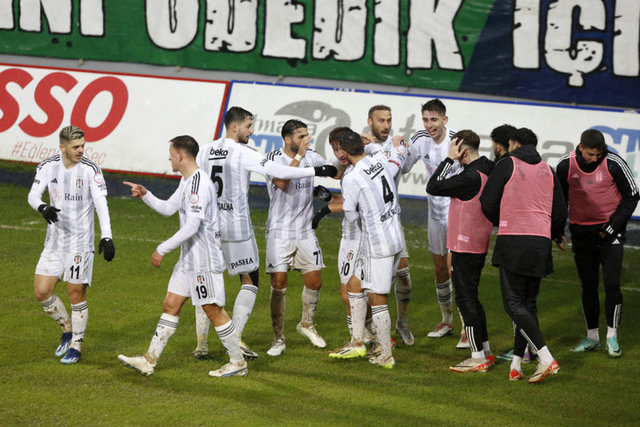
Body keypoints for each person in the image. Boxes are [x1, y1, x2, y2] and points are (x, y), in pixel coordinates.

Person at [193, 107, 337, 360]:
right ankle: (236, 337)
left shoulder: (204, 150)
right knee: (250, 280)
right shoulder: (246, 152)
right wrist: (314, 170)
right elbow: (280, 176)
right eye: (249, 126)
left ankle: (202, 343)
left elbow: (197, 183)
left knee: (206, 281)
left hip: (209, 225)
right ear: (235, 127)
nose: (252, 131)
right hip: (237, 228)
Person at [117, 135, 247, 377]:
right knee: (171, 304)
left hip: (204, 260)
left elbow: (192, 227)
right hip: (189, 259)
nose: (169, 158)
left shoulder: (199, 184)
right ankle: (149, 359)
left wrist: (162, 248)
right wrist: (146, 195)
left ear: (180, 155)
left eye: (171, 153)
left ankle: (238, 363)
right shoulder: (187, 181)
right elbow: (169, 208)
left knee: (213, 309)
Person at [480, 128, 567, 383]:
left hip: (514, 240)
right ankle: (516, 364)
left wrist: (504, 220)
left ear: (514, 143)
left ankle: (545, 357)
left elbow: (487, 202)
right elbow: (560, 211)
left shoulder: (507, 164)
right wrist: (554, 233)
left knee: (514, 304)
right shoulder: (548, 170)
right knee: (527, 304)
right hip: (540, 242)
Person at [28, 125, 115, 365]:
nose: (81, 150)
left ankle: (76, 345)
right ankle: (67, 328)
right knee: (42, 291)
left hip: (80, 243)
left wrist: (107, 236)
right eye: (75, 147)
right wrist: (42, 207)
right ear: (62, 147)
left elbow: (101, 204)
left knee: (75, 293)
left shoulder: (90, 169)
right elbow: (33, 195)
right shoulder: (47, 166)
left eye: (83, 146)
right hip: (54, 242)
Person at [556, 129, 639, 357]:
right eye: (590, 154)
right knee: (588, 285)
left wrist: (614, 225)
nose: (594, 158)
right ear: (580, 147)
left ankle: (612, 336)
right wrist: (557, 230)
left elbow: (632, 195)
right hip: (581, 232)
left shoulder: (614, 163)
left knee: (612, 284)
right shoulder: (565, 165)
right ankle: (592, 337)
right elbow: (559, 200)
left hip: (609, 232)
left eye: (598, 154)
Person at [264, 119, 338, 356]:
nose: (307, 140)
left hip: (305, 231)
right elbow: (281, 183)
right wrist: (300, 157)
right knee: (278, 284)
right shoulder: (273, 159)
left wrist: (342, 159)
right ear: (288, 139)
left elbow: (334, 172)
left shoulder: (311, 156)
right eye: (301, 136)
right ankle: (278, 339)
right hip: (279, 232)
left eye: (307, 135)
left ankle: (307, 324)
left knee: (315, 282)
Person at [426, 130, 495, 372]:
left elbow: (433, 186)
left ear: (462, 151)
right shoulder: (486, 167)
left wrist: (448, 160)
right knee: (472, 297)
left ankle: (477, 357)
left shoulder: (469, 177)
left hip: (465, 245)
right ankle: (485, 351)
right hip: (477, 242)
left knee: (466, 300)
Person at [336, 130, 404, 368]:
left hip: (378, 245)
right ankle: (357, 341)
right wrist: (372, 143)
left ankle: (386, 355)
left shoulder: (352, 178)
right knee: (354, 284)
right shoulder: (379, 159)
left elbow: (351, 217)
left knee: (377, 299)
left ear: (345, 152)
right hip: (395, 237)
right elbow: (379, 149)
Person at [403, 99, 466, 347]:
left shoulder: (458, 141)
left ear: (444, 120)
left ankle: (467, 328)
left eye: (434, 120)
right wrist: (396, 145)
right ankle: (446, 321)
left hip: (456, 214)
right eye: (426, 119)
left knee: (455, 271)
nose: (429, 125)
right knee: (440, 270)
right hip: (434, 215)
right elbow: (404, 166)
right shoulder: (420, 139)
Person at [360, 105, 415, 346]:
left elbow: (401, 168)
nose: (386, 125)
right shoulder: (360, 146)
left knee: (404, 277)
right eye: (381, 120)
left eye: (389, 120)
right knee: (369, 281)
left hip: (392, 220)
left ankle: (401, 322)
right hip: (367, 225)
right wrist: (370, 147)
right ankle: (369, 328)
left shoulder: (395, 145)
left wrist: (402, 148)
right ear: (370, 121)